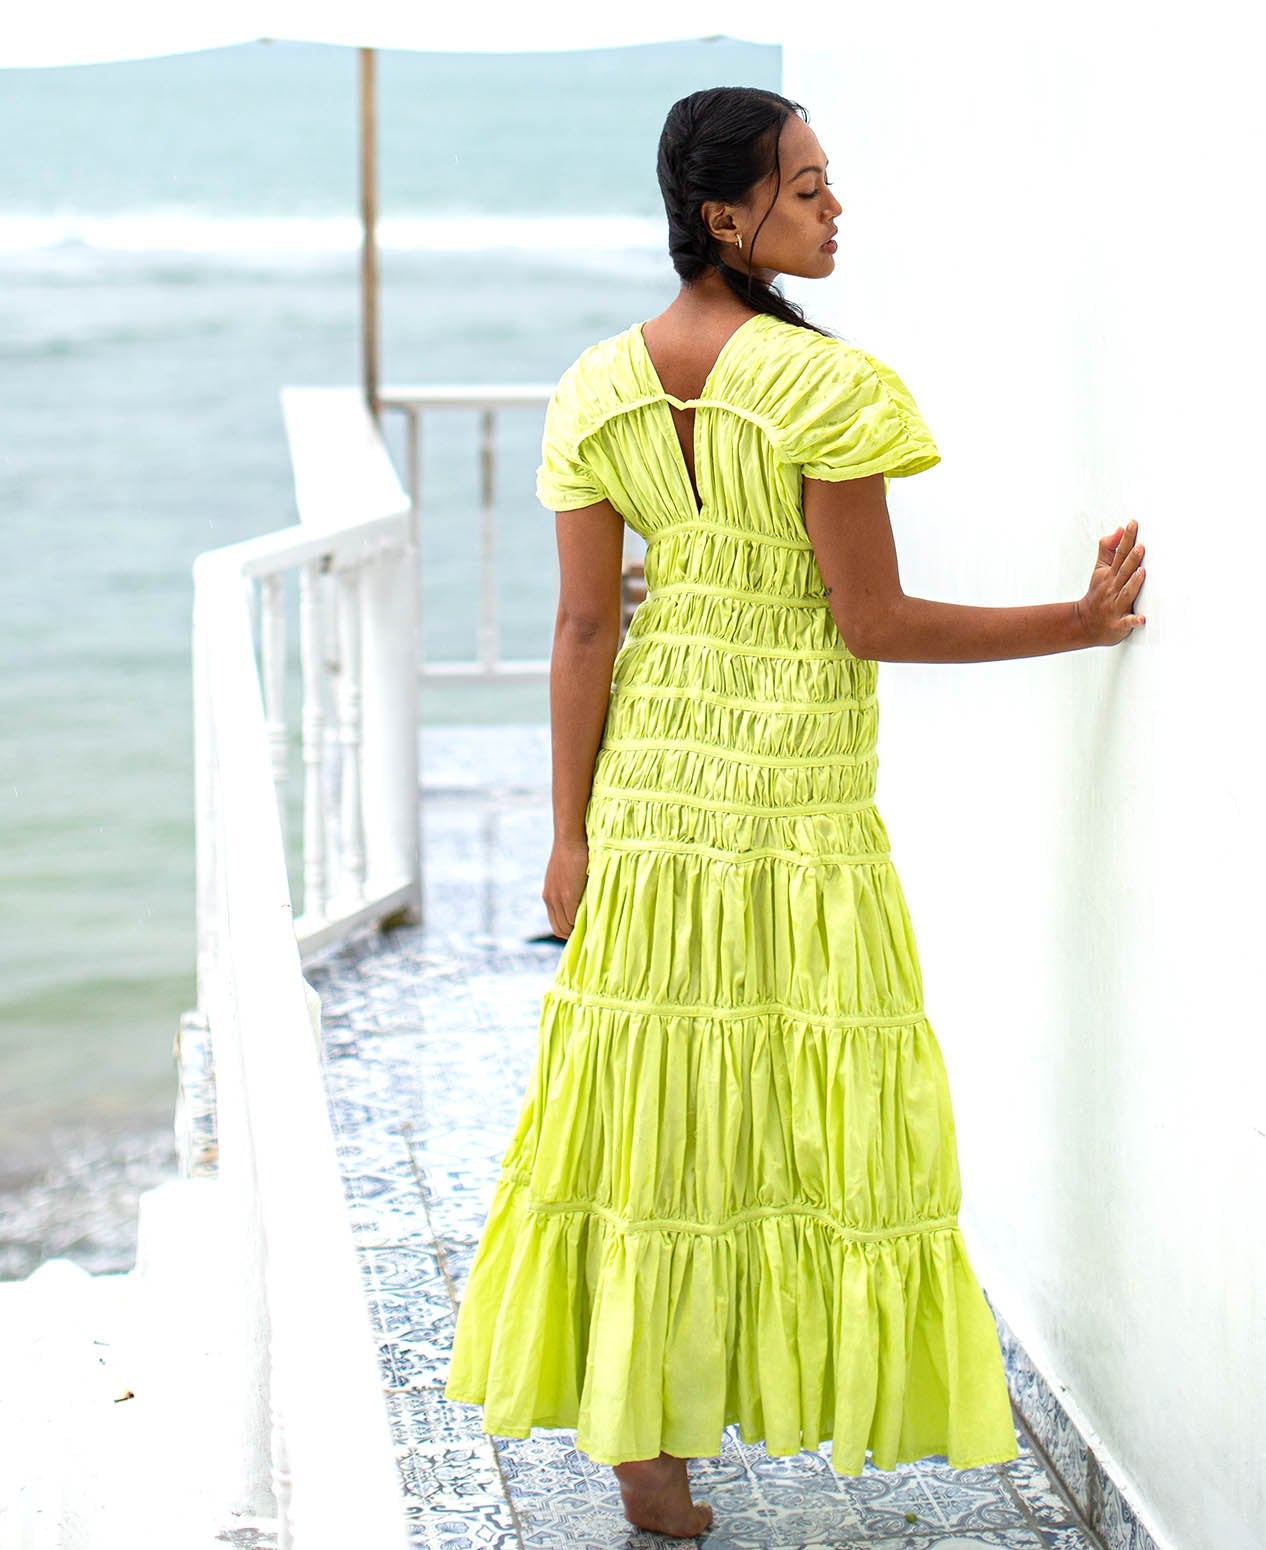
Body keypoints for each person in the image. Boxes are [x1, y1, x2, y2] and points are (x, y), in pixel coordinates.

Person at [444, 86, 1147, 1540]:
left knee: (643, 1104)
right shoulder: (826, 388)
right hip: (789, 791)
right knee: (796, 1100)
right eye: (808, 188)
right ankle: (748, 1382)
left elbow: (584, 632)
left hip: (650, 783)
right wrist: (1073, 624)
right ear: (725, 216)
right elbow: (872, 620)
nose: (836, 211)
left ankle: (645, 1437)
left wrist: (569, 836)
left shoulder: (595, 386)